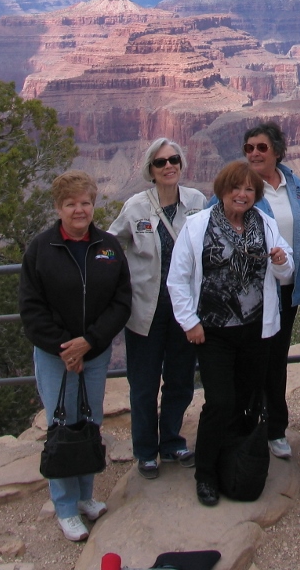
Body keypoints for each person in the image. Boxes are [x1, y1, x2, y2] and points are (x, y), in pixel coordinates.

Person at [167, 160, 294, 506]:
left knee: (247, 400)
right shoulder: (197, 226)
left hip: (255, 329)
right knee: (220, 401)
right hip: (213, 331)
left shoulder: (264, 224)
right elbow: (177, 279)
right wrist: (189, 322)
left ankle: (236, 461)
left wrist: (282, 260)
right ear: (222, 191)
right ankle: (205, 473)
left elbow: (286, 270)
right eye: (235, 188)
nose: (242, 194)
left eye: (249, 189)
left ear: (256, 195)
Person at [19, 170, 132, 543]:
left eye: (85, 202)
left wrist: (90, 341)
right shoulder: (41, 249)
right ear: (58, 207)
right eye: (71, 204)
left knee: (89, 421)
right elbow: (32, 309)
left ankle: (85, 496)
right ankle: (65, 507)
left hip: (94, 352)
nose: (79, 210)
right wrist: (66, 347)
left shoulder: (108, 247)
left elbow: (121, 301)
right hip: (57, 357)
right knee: (62, 427)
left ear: (93, 203)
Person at [109, 138, 207, 480]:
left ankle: (172, 441)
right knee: (144, 384)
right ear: (150, 169)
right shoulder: (136, 206)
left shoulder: (196, 201)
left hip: (184, 312)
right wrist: (115, 274)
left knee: (180, 380)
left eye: (174, 160)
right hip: (144, 312)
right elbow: (111, 243)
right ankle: (145, 450)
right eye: (161, 162)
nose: (169, 166)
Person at [242, 122, 300, 460]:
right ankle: (250, 426)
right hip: (252, 292)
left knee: (277, 361)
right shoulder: (238, 187)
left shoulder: (294, 184)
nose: (254, 153)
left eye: (261, 148)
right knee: (253, 360)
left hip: (287, 289)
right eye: (249, 147)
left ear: (277, 151)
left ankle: (276, 429)